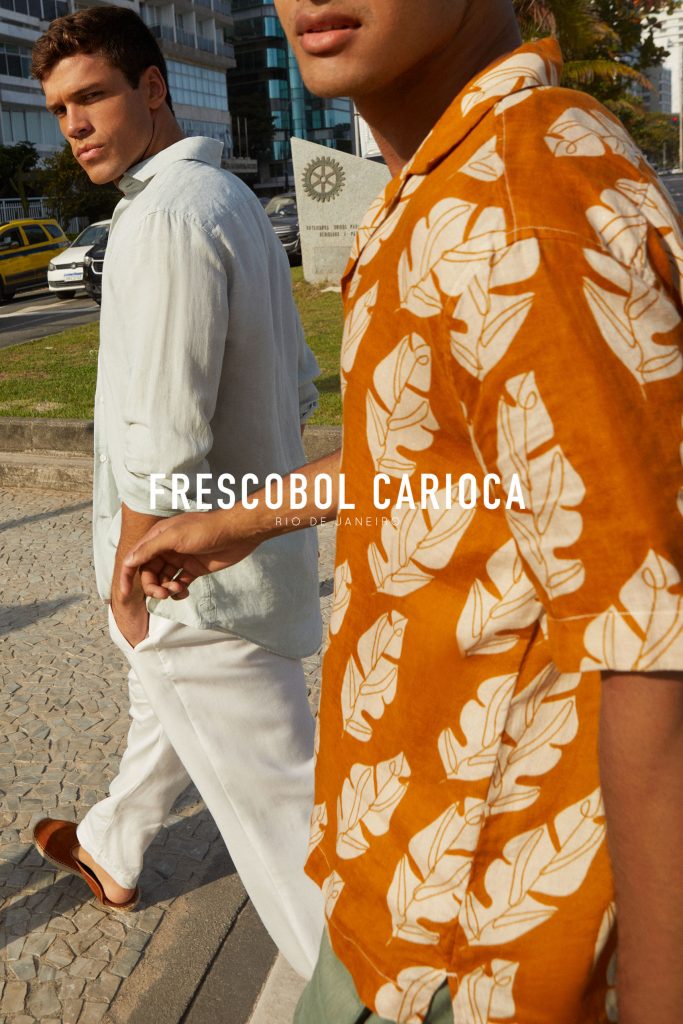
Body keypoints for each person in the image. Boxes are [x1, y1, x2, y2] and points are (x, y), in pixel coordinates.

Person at [120, 0, 683, 1021]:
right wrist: (236, 520)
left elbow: (654, 634)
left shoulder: (522, 186)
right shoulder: (451, 176)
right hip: (399, 887)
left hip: (484, 944)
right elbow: (457, 456)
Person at [29, 5, 325, 978]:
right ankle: (112, 850)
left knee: (293, 833)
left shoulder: (162, 217)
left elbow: (160, 441)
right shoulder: (226, 196)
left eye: (91, 97)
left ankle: (373, 996)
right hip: (240, 562)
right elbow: (300, 384)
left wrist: (131, 574)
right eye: (58, 109)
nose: (74, 125)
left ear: (152, 88)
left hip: (189, 583)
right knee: (160, 711)